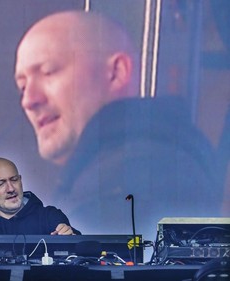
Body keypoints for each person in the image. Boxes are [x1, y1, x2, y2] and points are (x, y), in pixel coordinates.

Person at [14, 10, 222, 240]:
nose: (29, 100)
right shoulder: (126, 170)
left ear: (116, 72)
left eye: (48, 72)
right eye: (22, 86)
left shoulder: (133, 181)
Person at [0, 157, 80, 235]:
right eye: (0, 184)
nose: (11, 189)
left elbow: (82, 254)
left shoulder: (50, 217)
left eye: (14, 180)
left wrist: (71, 238)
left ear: (20, 180)